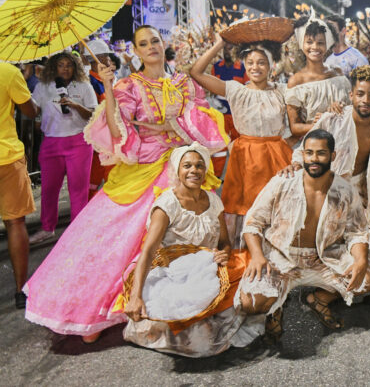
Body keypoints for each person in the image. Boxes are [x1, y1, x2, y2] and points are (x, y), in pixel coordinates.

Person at [24, 25, 229, 343]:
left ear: (164, 45)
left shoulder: (181, 81)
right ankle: (98, 308)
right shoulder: (128, 86)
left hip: (178, 162)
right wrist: (107, 85)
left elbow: (200, 116)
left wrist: (174, 122)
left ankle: (172, 302)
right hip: (143, 166)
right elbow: (119, 129)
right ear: (135, 51)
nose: (151, 48)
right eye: (143, 44)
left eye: (155, 42)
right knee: (118, 236)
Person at [236, 130, 370, 339]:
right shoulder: (283, 182)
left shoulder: (344, 190)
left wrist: (361, 260)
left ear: (332, 156)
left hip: (325, 258)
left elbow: (357, 231)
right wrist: (257, 256)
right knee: (251, 303)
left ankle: (319, 299)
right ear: (303, 155)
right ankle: (276, 306)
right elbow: (253, 223)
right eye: (309, 153)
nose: (314, 159)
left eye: (321, 153)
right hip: (281, 258)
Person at [281, 65, 370, 316]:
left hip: (366, 190)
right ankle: (325, 288)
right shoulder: (334, 118)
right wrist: (294, 164)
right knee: (330, 242)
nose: (365, 100)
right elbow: (305, 147)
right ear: (351, 95)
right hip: (333, 190)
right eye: (360, 94)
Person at [123, 143, 261, 357]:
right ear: (177, 170)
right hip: (175, 275)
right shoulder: (167, 205)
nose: (194, 171)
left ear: (205, 170)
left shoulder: (213, 200)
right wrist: (136, 297)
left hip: (206, 269)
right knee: (201, 344)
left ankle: (209, 315)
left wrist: (223, 252)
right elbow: (148, 252)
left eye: (199, 166)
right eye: (187, 166)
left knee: (254, 271)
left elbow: (224, 241)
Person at [190, 33, 292, 249]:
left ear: (271, 64)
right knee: (242, 208)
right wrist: (219, 44)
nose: (256, 67)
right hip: (244, 159)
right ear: (244, 65)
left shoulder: (283, 91)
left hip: (277, 157)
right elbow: (196, 72)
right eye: (251, 62)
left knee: (277, 209)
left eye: (262, 62)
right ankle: (243, 258)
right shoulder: (235, 90)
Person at [28, 53, 97, 244]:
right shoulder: (43, 87)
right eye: (61, 65)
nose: (65, 68)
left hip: (79, 143)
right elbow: (33, 110)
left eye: (69, 65)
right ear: (54, 67)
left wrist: (75, 105)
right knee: (49, 189)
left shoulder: (84, 86)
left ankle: (78, 232)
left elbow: (92, 114)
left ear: (75, 67)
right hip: (51, 143)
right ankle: (47, 228)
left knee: (78, 189)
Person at [0, 62, 39, 308]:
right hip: (7, 158)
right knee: (15, 222)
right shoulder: (7, 72)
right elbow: (31, 111)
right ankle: (19, 290)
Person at [285, 15, 352, 141]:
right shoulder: (296, 81)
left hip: (343, 140)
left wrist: (342, 107)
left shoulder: (337, 73)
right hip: (314, 144)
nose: (315, 47)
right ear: (301, 44)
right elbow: (294, 127)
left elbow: (352, 106)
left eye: (320, 43)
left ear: (327, 45)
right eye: (309, 42)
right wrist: (320, 123)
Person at [85, 40, 115, 200]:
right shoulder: (92, 83)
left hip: (109, 138)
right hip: (100, 140)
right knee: (95, 179)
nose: (110, 61)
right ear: (101, 58)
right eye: (108, 58)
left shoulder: (103, 81)